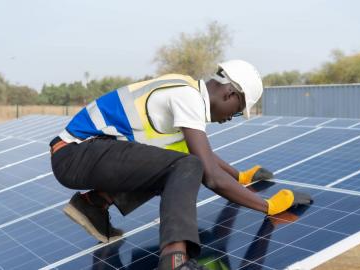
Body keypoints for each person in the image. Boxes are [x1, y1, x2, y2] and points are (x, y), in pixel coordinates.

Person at [50, 59, 312, 270]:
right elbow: (207, 173)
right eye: (236, 110)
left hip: (85, 154)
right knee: (184, 167)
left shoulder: (187, 91)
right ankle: (174, 260)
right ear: (230, 93)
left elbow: (199, 155)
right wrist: (268, 206)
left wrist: (239, 176)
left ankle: (93, 205)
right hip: (76, 153)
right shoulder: (188, 98)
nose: (231, 117)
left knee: (173, 166)